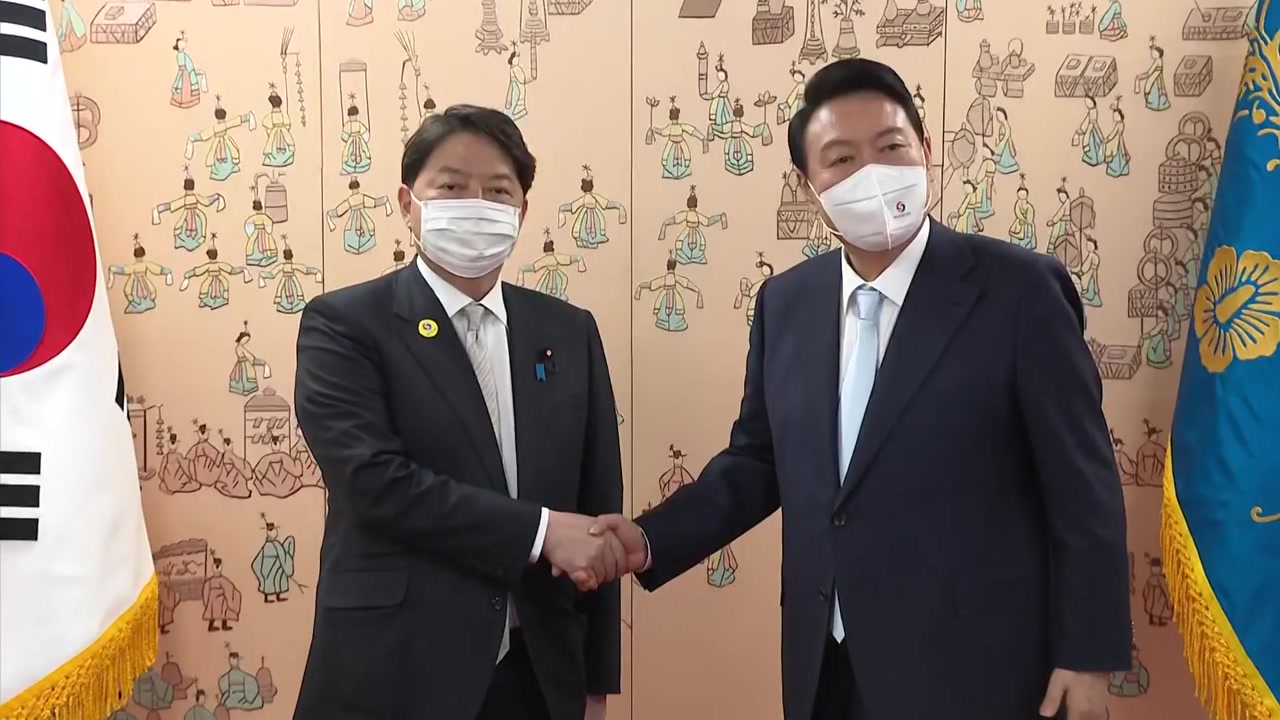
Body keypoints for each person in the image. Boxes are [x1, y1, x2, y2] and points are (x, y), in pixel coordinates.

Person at [590, 59, 1131, 720]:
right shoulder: (786, 303)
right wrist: (649, 539)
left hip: (976, 670)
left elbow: (1082, 485)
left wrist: (1088, 655)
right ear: (808, 185)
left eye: (891, 147)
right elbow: (759, 460)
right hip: (827, 666)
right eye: (842, 159)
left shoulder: (1019, 291)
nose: (872, 173)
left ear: (925, 150)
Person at [293, 104, 624, 720]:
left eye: (498, 190)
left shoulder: (569, 332)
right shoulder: (344, 325)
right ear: (407, 202)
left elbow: (596, 509)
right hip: (393, 670)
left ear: (522, 210)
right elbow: (374, 484)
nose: (476, 204)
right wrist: (540, 532)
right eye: (451, 187)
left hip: (538, 676)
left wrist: (596, 683)